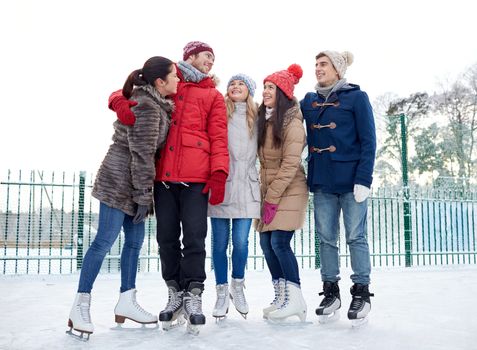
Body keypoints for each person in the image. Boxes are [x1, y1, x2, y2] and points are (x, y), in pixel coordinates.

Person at [109, 41, 229, 334]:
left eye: (214, 58)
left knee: (195, 237)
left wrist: (219, 172)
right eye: (206, 55)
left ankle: (194, 294)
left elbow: (219, 135)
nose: (211, 61)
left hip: (196, 177)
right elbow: (130, 86)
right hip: (163, 176)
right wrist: (119, 102)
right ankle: (174, 292)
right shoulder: (169, 81)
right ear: (190, 56)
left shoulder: (213, 95)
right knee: (165, 238)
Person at [67, 56, 179, 340]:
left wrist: (142, 194)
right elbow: (142, 155)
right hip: (118, 182)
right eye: (174, 75)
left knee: (134, 244)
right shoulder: (149, 107)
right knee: (104, 240)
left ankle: (127, 300)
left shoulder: (157, 104)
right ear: (160, 82)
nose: (178, 80)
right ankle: (80, 305)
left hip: (135, 183)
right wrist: (144, 196)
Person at [300, 50, 376, 325]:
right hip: (322, 180)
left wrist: (364, 180)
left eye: (324, 64)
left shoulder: (357, 97)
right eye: (316, 64)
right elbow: (287, 118)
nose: (318, 68)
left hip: (352, 180)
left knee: (356, 237)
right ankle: (330, 290)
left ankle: (362, 292)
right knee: (325, 239)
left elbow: (369, 141)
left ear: (338, 69)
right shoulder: (309, 101)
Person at [256, 64, 309, 322]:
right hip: (272, 189)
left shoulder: (292, 123)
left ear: (283, 93)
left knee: (279, 242)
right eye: (265, 86)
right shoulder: (265, 119)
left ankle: (296, 299)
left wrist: (272, 197)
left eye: (271, 88)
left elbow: (289, 165)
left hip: (290, 188)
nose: (266, 91)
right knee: (266, 243)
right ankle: (281, 295)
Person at [209, 74, 260, 320]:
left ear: (250, 91)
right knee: (219, 244)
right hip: (223, 185)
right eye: (232, 84)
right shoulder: (219, 112)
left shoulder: (258, 117)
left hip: (248, 186)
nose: (235, 87)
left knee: (240, 243)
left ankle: (237, 286)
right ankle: (220, 291)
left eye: (241, 84)